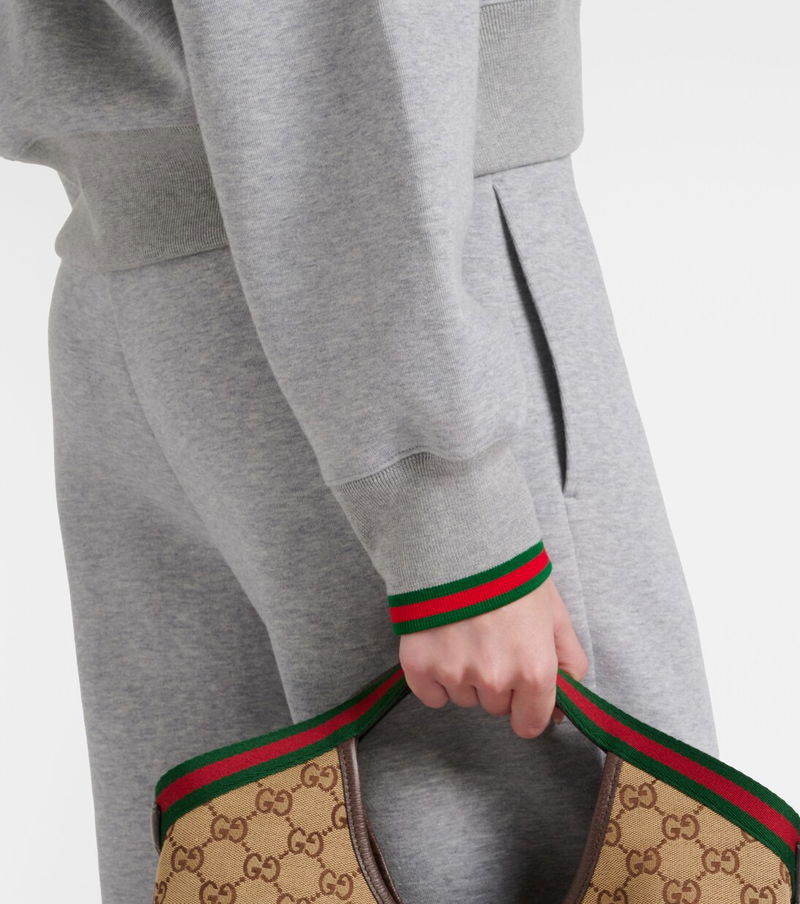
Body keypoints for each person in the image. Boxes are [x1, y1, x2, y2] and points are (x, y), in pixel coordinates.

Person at [0, 1, 719, 902]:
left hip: (144, 292)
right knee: (605, 853)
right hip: (384, 263)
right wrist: (450, 516)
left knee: (231, 867)